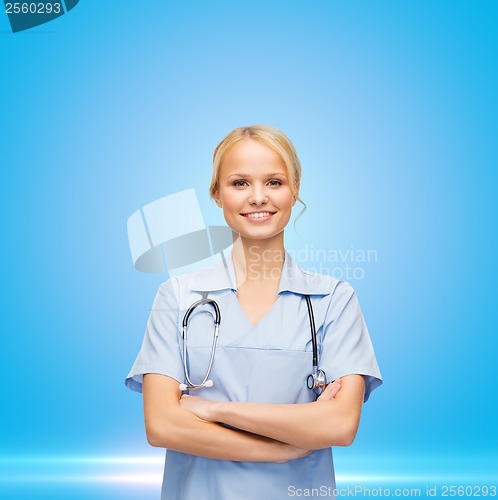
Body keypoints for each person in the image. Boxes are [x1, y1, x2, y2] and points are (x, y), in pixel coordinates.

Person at [125, 124, 383, 499]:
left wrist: (212, 411)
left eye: (275, 182)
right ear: (216, 194)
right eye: (240, 183)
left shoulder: (333, 300)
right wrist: (279, 450)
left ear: (295, 190)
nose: (258, 197)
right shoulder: (178, 296)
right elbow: (162, 425)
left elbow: (340, 424)